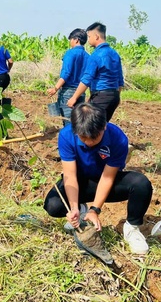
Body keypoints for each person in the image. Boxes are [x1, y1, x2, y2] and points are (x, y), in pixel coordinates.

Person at [43, 103, 153, 255]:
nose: (89, 142)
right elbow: (70, 176)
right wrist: (74, 207)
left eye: (94, 137)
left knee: (141, 184)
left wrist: (95, 210)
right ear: (76, 131)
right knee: (54, 205)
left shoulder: (117, 138)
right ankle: (81, 211)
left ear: (104, 127)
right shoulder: (66, 136)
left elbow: (107, 177)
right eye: (83, 138)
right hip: (81, 181)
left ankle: (132, 228)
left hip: (106, 180)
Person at [67, 22, 124, 121]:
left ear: (96, 36)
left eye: (89, 37)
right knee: (102, 126)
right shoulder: (115, 54)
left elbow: (86, 79)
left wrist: (74, 97)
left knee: (91, 127)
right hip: (113, 96)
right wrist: (117, 97)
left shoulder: (96, 55)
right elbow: (120, 80)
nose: (88, 40)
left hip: (101, 96)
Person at [47, 28, 90, 126]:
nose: (70, 42)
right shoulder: (88, 56)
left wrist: (55, 88)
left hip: (68, 92)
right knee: (78, 122)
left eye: (71, 39)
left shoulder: (70, 53)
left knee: (68, 123)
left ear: (76, 40)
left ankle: (71, 141)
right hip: (81, 92)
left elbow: (66, 73)